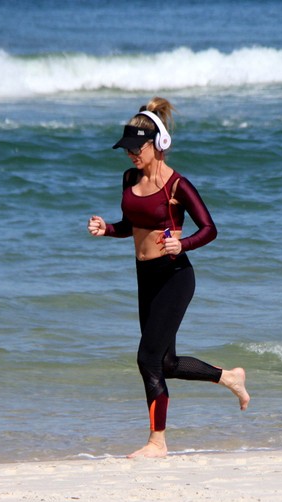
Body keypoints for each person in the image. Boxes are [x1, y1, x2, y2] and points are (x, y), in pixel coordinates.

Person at [87, 97, 249, 458]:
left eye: (136, 148)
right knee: (166, 363)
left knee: (147, 358)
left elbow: (210, 228)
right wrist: (108, 229)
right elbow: (132, 225)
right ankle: (229, 377)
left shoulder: (177, 186)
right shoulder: (130, 178)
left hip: (175, 276)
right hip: (145, 276)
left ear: (158, 143)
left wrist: (183, 243)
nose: (130, 155)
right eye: (126, 149)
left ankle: (157, 442)